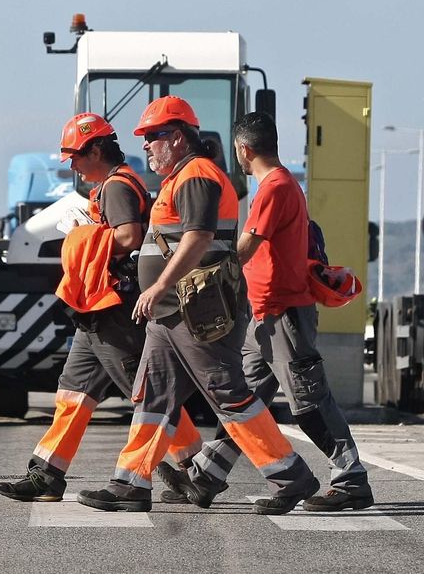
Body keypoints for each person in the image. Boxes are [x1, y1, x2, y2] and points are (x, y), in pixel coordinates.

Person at [77, 96, 320, 516]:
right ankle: (131, 483)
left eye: (153, 137)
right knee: (152, 397)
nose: (147, 146)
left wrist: (157, 287)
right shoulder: (178, 178)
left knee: (229, 394)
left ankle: (291, 475)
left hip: (196, 309)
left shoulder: (197, 175)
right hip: (171, 312)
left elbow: (199, 237)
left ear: (176, 137)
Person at [157, 111, 374, 512]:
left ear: (243, 150)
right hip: (265, 313)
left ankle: (351, 479)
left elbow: (245, 247)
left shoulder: (275, 187)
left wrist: (200, 262)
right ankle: (206, 474)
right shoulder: (280, 184)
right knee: (243, 401)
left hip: (283, 313)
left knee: (308, 400)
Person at [0, 112, 203, 502]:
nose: (71, 164)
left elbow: (127, 236)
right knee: (72, 393)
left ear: (95, 149)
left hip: (114, 310)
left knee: (145, 395)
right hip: (98, 310)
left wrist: (80, 235)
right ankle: (46, 474)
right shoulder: (113, 184)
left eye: (75, 155)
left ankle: (194, 468)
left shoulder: (118, 186)